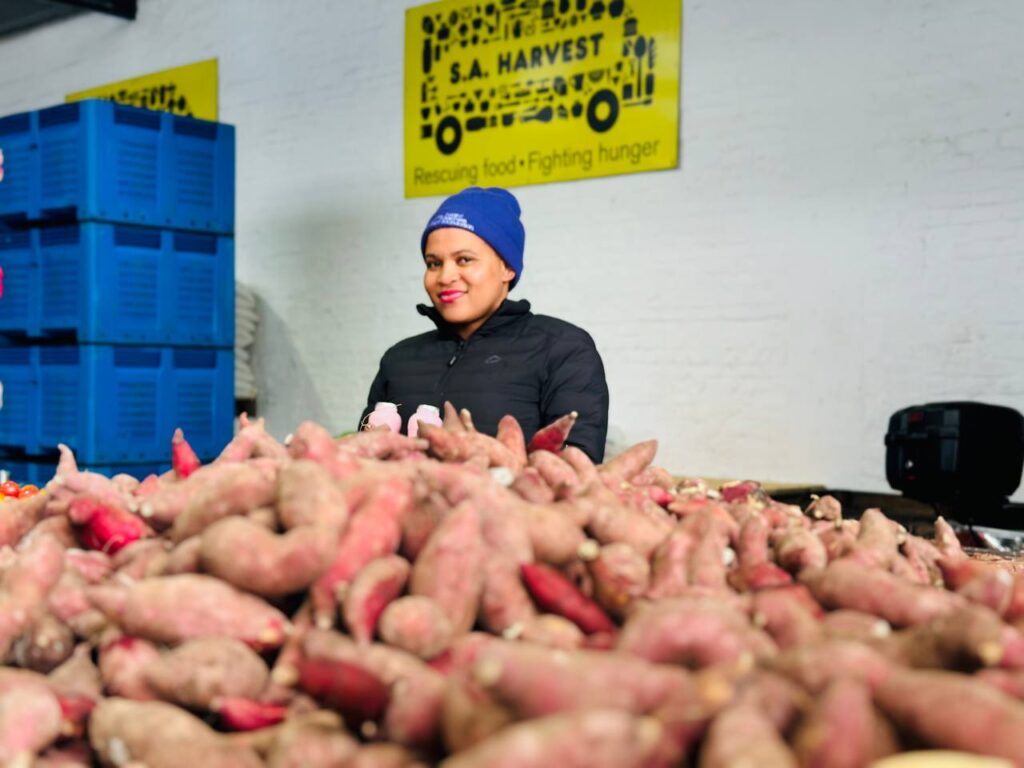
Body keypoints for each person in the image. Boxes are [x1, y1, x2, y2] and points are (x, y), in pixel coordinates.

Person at [361, 186, 610, 461]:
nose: (445, 276)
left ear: (507, 268)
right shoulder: (399, 360)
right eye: (433, 263)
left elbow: (575, 469)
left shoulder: (562, 349)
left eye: (464, 260)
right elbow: (359, 457)